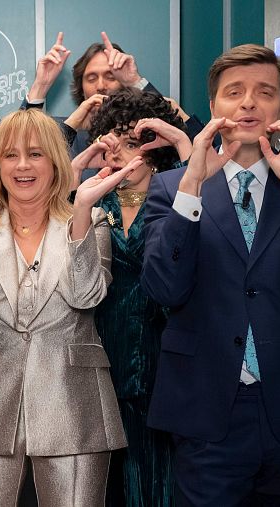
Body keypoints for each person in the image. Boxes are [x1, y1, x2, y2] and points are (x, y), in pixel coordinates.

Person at [140, 44, 280, 505]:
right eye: (234, 92)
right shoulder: (171, 188)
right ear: (213, 106)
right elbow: (164, 288)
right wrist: (191, 185)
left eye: (265, 92)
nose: (248, 103)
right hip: (207, 412)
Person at [0, 107, 131, 506]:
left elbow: (85, 295)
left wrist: (79, 212)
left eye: (36, 154)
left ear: (55, 162)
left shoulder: (90, 220)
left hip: (73, 405)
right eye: (10, 155)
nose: (22, 165)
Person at [73, 87, 192, 506]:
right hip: (103, 359)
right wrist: (80, 170)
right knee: (105, 484)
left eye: (130, 143)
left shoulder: (179, 196)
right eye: (111, 144)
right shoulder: (93, 199)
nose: (118, 155)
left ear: (154, 149)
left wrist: (183, 146)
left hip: (164, 358)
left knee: (161, 479)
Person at [22, 31, 202, 160]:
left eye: (110, 77)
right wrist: (41, 85)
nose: (101, 86)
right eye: (91, 78)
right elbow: (19, 151)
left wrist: (135, 81)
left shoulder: (147, 132)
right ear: (81, 87)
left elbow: (205, 153)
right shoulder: (62, 129)